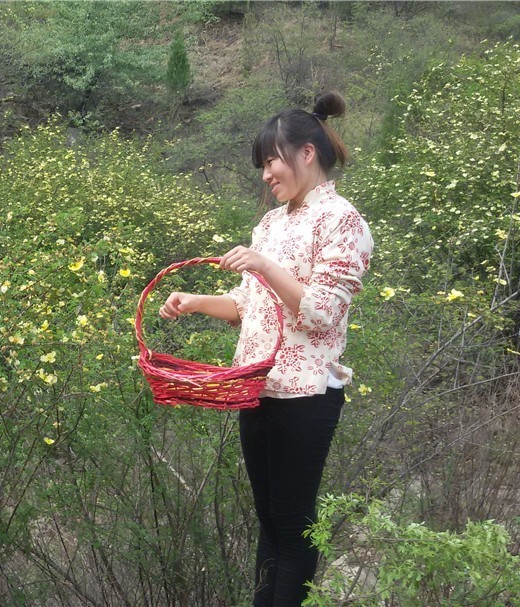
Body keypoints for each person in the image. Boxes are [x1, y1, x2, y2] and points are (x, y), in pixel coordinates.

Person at [159, 91, 373, 606]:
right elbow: (248, 305)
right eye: (262, 165)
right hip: (257, 387)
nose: (265, 174)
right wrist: (195, 302)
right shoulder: (271, 225)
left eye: (272, 160)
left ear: (306, 153)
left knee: (294, 523)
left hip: (306, 394)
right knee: (269, 520)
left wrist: (265, 266)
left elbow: (322, 312)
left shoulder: (343, 221)